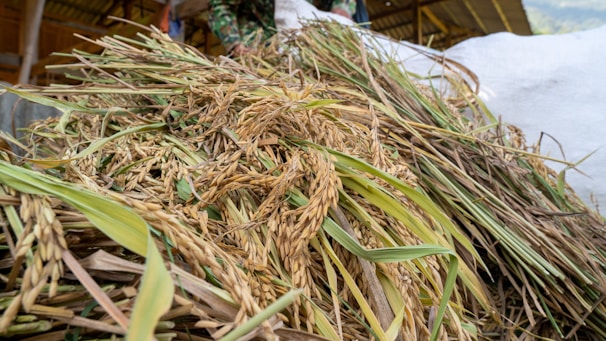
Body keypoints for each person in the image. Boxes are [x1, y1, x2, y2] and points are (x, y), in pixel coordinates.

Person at [208, 0, 357, 56]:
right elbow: (220, 6)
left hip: (312, 24)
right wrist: (235, 43)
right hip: (260, 31)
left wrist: (341, 9)